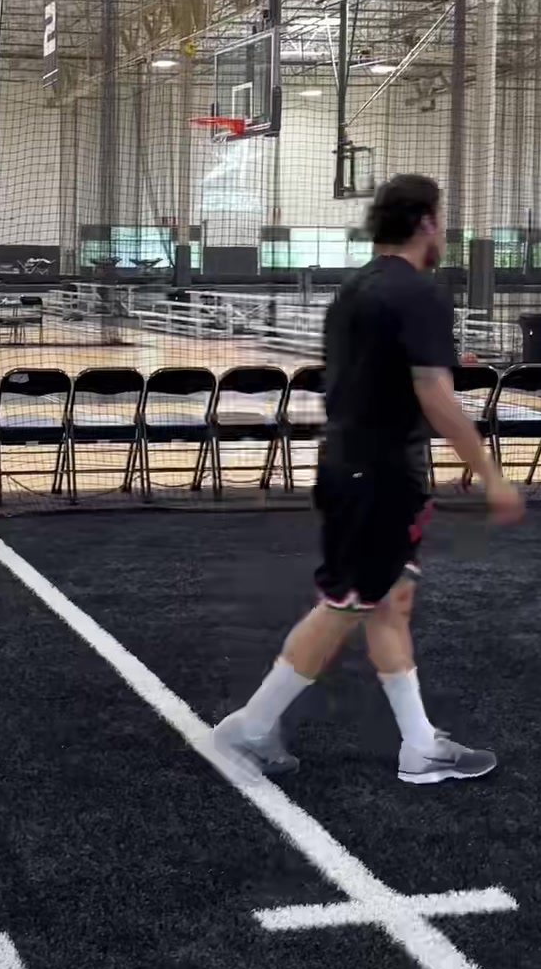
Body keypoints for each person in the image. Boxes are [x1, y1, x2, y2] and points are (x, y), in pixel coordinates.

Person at [214, 173, 523, 785]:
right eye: (441, 218)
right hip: (378, 475)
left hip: (350, 463)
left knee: (389, 600)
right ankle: (250, 726)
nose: (443, 230)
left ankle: (419, 746)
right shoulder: (417, 294)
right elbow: (435, 394)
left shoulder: (351, 291)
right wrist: (490, 472)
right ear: (426, 222)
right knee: (348, 603)